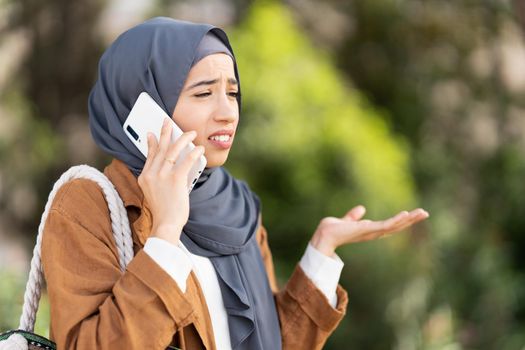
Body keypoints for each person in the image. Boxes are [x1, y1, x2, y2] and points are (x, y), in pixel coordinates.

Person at [41, 17, 429, 350]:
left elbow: (269, 340)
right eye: (204, 93)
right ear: (143, 105)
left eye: (232, 92)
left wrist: (321, 253)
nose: (228, 112)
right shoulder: (88, 204)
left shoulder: (235, 206)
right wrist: (165, 234)